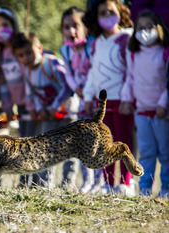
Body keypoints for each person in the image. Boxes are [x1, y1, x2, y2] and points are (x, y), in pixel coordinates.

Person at [12, 31, 78, 190]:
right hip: (48, 116)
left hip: (67, 113)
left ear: (39, 48)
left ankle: (67, 185)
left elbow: (67, 87)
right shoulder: (27, 71)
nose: (26, 58)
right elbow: (33, 94)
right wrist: (39, 109)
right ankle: (44, 185)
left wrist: (54, 106)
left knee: (70, 149)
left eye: (29, 52)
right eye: (20, 55)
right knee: (45, 149)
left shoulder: (51, 64)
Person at [82, 0, 135, 196]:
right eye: (102, 12)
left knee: (124, 142)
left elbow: (132, 71)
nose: (107, 16)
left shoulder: (127, 38)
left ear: (121, 12)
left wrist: (128, 98)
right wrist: (88, 95)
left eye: (111, 11)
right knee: (104, 144)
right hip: (102, 103)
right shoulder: (96, 43)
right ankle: (109, 183)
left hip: (123, 102)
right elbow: (93, 73)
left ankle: (126, 183)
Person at [120, 10, 169, 198]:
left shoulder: (165, 53)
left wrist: (163, 103)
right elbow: (130, 79)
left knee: (165, 154)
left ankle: (166, 190)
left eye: (149, 27)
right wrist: (126, 99)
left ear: (159, 28)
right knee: (146, 154)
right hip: (141, 112)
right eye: (140, 27)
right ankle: (145, 191)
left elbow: (167, 81)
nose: (144, 31)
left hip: (161, 113)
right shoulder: (134, 54)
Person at [59, 6, 105, 194]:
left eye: (76, 25)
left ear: (84, 26)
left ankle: (102, 181)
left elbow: (96, 71)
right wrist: (76, 88)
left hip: (95, 100)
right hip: (81, 101)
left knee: (100, 142)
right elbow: (68, 74)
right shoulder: (65, 50)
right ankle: (88, 180)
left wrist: (87, 91)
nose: (71, 31)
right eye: (66, 26)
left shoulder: (92, 45)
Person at [0, 6, 38, 138]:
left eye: (5, 24)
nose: (1, 29)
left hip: (34, 103)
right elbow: (4, 82)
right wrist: (7, 106)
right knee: (23, 139)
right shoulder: (0, 55)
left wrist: (30, 104)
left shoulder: (20, 50)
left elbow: (29, 78)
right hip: (20, 106)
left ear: (13, 24)